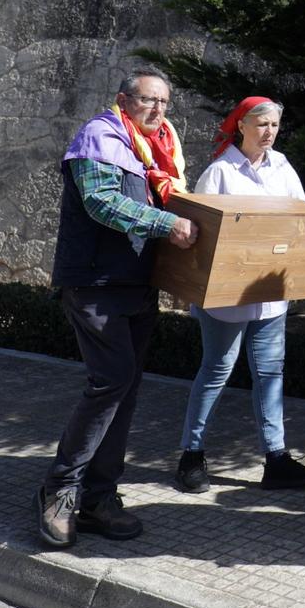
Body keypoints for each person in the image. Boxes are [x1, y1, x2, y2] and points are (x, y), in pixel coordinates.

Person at [36, 69, 198, 550]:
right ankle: (59, 490)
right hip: (93, 285)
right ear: (123, 100)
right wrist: (167, 222)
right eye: (149, 100)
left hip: (135, 287)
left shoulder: (156, 150)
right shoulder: (98, 136)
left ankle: (99, 497)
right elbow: (101, 203)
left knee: (124, 389)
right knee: (110, 381)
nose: (158, 110)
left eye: (165, 103)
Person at [173, 96, 305, 493]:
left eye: (274, 125)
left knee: (271, 375)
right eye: (261, 124)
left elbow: (303, 220)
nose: (269, 132)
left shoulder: (283, 167)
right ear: (241, 125)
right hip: (225, 299)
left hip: (271, 296)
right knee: (216, 372)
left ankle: (276, 459)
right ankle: (191, 454)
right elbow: (200, 235)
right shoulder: (220, 171)